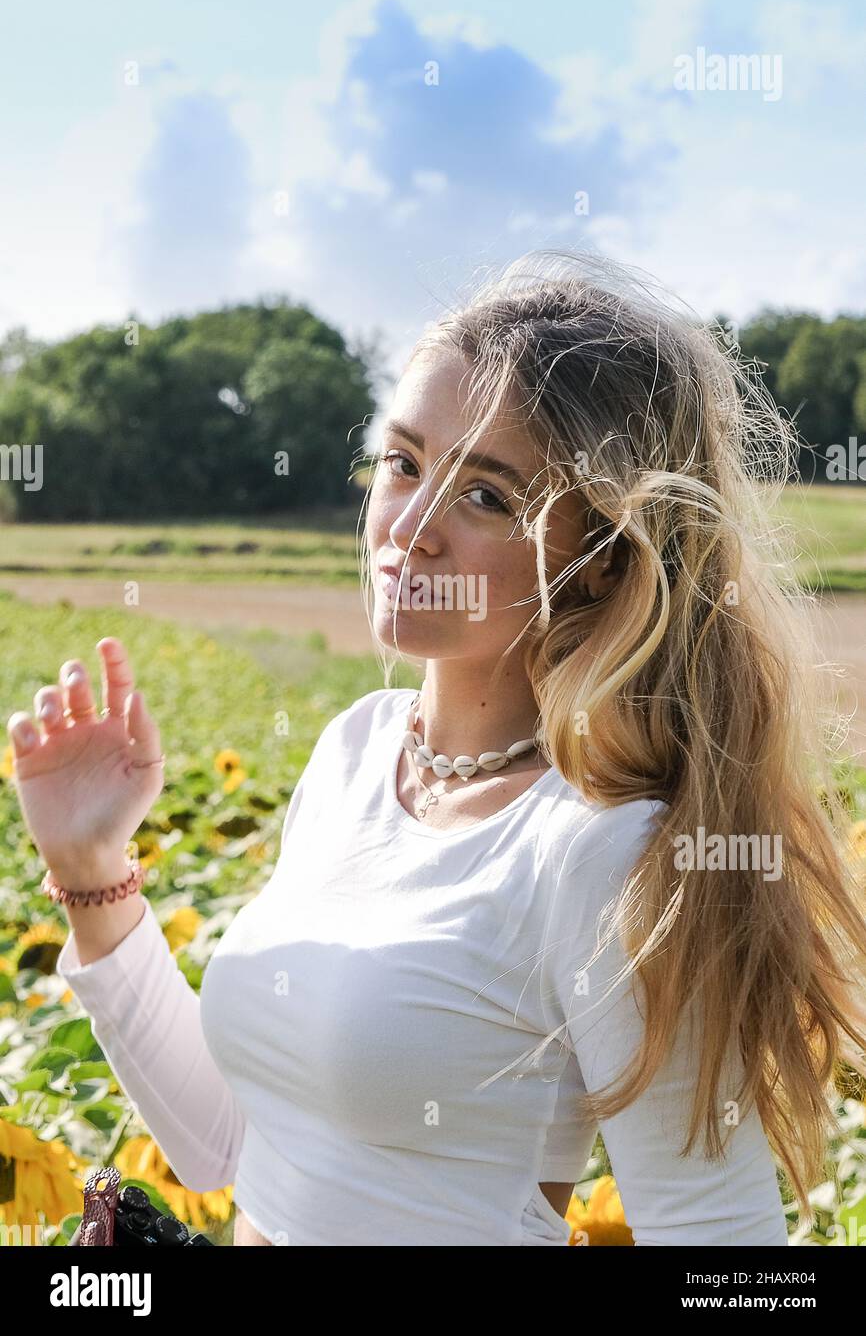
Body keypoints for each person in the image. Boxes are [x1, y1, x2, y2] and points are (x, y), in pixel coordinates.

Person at [8, 250, 866, 1246]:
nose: (408, 527)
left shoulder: (603, 853)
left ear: (597, 560)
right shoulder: (353, 754)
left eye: (487, 496)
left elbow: (723, 1250)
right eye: (403, 463)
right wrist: (89, 870)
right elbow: (238, 1151)